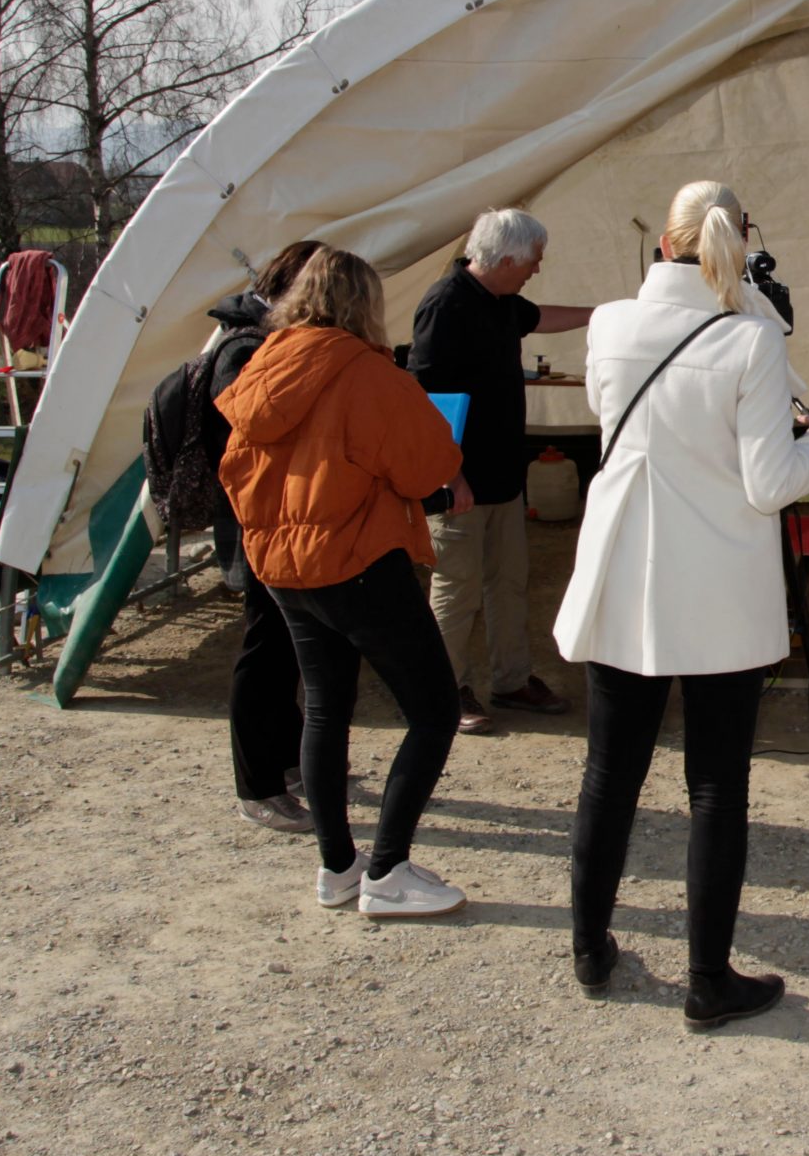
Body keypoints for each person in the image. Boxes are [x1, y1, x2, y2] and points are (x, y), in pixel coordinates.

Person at [552, 180, 809, 1028]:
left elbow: (614, 421)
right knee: (716, 785)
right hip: (717, 585)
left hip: (626, 577)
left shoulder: (610, 323)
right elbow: (770, 482)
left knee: (609, 776)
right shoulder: (750, 339)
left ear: (662, 245)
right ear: (738, 240)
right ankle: (706, 979)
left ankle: (590, 945)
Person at [217, 247, 476, 917]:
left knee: (328, 706)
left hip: (282, 564)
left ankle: (338, 866)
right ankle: (387, 870)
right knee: (435, 709)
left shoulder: (261, 363)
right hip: (354, 560)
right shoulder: (366, 373)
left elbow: (236, 469)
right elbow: (429, 467)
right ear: (365, 304)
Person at [409, 209, 594, 736]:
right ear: (508, 257)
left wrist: (603, 313)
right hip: (458, 483)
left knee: (509, 583)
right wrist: (449, 475)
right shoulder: (445, 305)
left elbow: (543, 317)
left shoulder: (501, 302)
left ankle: (511, 680)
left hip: (502, 477)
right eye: (534, 259)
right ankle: (446, 689)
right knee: (455, 587)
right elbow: (424, 401)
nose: (537, 268)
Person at [211, 239, 325, 835]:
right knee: (264, 653)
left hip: (282, 521)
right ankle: (256, 786)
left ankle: (284, 763)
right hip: (256, 522)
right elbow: (254, 435)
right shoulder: (243, 349)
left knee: (286, 650)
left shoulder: (267, 343)